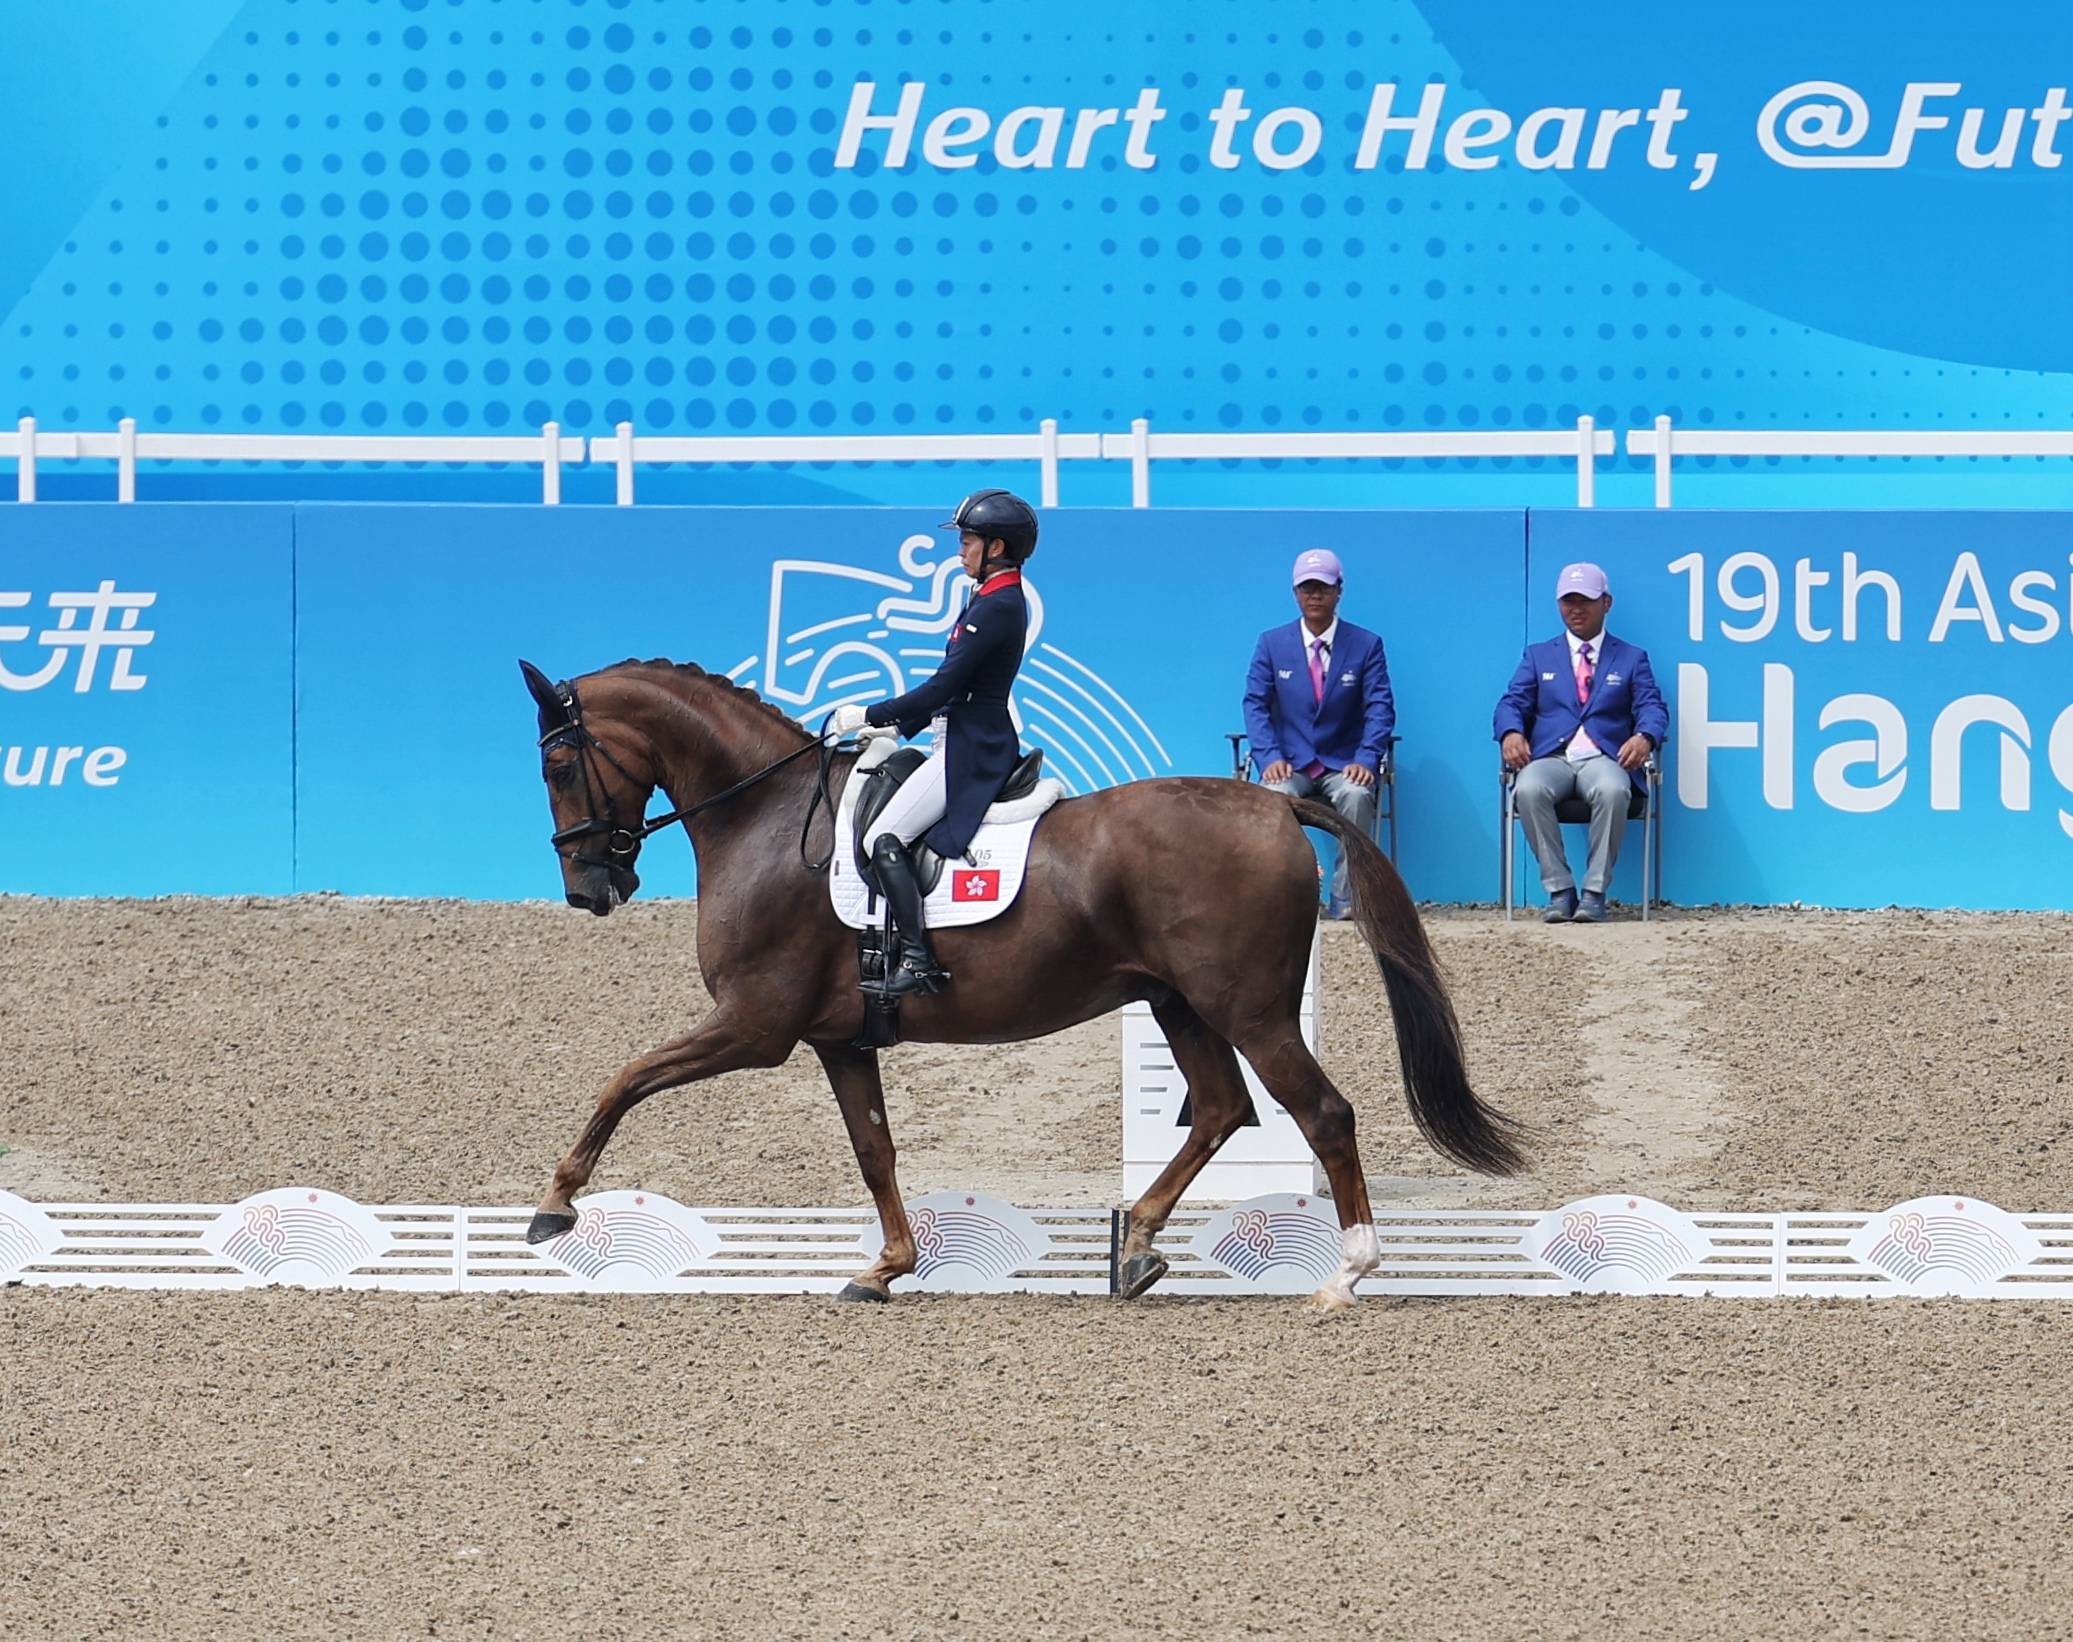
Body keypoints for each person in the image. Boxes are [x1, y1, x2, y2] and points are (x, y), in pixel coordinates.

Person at [828, 489, 1037, 996]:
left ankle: (920, 960)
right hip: (962, 734)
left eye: (968, 541)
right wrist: (900, 729)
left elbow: (943, 686)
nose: (960, 550)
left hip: (971, 749)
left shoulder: (998, 605)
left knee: (884, 838)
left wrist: (871, 713)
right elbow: (956, 689)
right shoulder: (989, 596)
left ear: (997, 548)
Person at [1494, 562, 1668, 924]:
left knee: (1613, 789)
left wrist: (1645, 736)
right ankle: (1560, 890)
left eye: (1585, 600)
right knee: (1526, 788)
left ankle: (1594, 893)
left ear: (1606, 603)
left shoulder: (1632, 657)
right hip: (1551, 756)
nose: (1575, 609)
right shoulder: (1538, 655)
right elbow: (1512, 702)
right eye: (1567, 600)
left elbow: (1652, 705)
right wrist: (1511, 732)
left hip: (1605, 757)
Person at [1242, 548, 1396, 919]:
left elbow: (1380, 707)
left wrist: (1366, 758)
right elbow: (1255, 703)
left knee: (1357, 796)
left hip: (1344, 763)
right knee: (1272, 799)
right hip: (1289, 764)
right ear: (1295, 592)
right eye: (1306, 588)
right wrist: (1269, 755)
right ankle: (1280, 899)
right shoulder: (1271, 643)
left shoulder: (1366, 644)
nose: (1314, 595)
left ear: (1338, 591)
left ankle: (1346, 898)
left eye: (1322, 588)